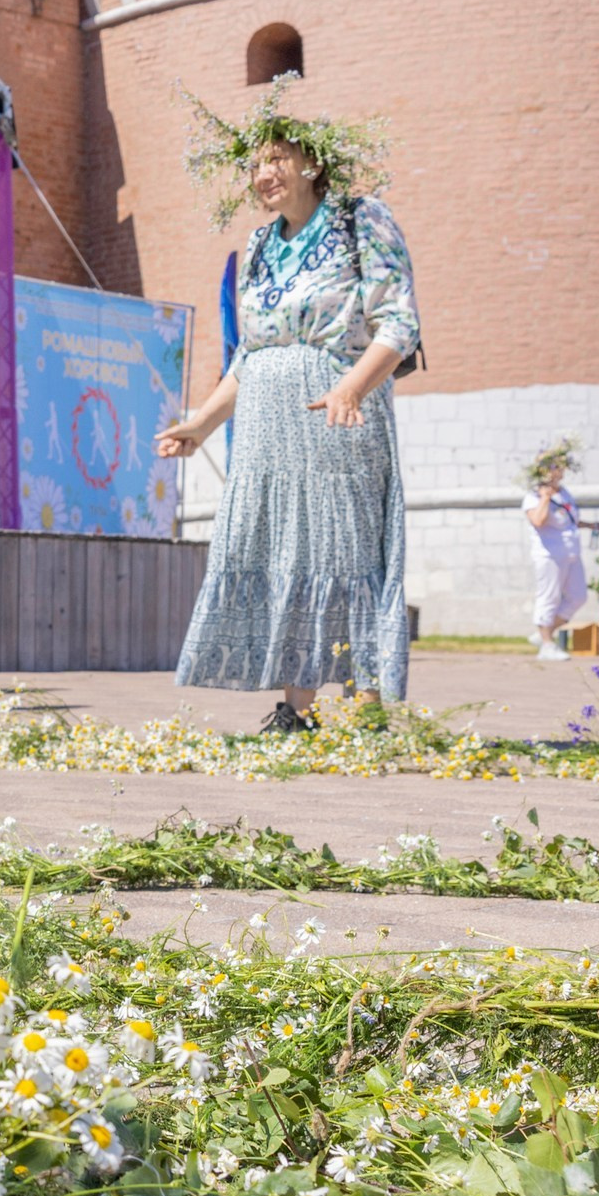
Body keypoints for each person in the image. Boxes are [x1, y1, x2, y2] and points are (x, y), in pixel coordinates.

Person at [155, 85, 417, 730]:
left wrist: (353, 387)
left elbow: (399, 323)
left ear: (313, 164)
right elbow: (250, 353)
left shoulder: (363, 220)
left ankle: (367, 708)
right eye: (253, 164)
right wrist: (203, 422)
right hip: (266, 429)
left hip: (333, 411)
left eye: (276, 158)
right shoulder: (259, 245)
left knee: (341, 552)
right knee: (285, 555)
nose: (263, 173)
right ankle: (296, 711)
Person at [521, 437, 586, 660]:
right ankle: (547, 645)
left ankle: (544, 632)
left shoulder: (565, 493)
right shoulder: (534, 496)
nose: (559, 472)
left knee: (578, 597)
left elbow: (571, 521)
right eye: (554, 467)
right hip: (549, 555)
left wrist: (595, 526)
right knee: (548, 597)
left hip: (571, 553)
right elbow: (538, 521)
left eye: (560, 467)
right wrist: (545, 498)